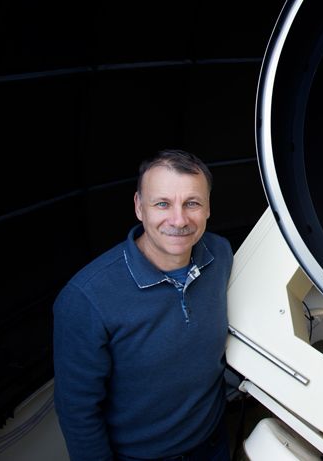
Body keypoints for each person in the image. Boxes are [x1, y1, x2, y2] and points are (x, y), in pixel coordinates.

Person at [53, 149, 233, 461]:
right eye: (162, 203)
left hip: (214, 441)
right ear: (139, 207)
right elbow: (78, 411)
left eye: (192, 203)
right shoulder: (85, 298)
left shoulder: (221, 254)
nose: (179, 219)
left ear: (207, 208)